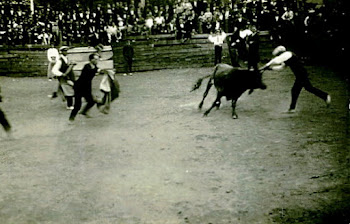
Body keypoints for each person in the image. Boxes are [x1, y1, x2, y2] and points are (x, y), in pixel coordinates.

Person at [261, 45, 331, 113]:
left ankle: (325, 96)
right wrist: (270, 68)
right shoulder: (287, 56)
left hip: (301, 74)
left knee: (301, 89)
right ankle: (292, 108)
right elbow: (281, 67)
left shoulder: (287, 54)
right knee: (302, 89)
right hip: (300, 74)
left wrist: (265, 66)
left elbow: (276, 61)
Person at [69, 53, 101, 122]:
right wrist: (98, 71)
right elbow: (90, 72)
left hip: (86, 87)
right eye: (95, 59)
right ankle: (71, 118)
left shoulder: (94, 66)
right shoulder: (87, 66)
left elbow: (97, 70)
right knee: (77, 105)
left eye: (97, 59)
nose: (97, 60)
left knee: (91, 101)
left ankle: (84, 112)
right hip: (79, 87)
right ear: (91, 60)